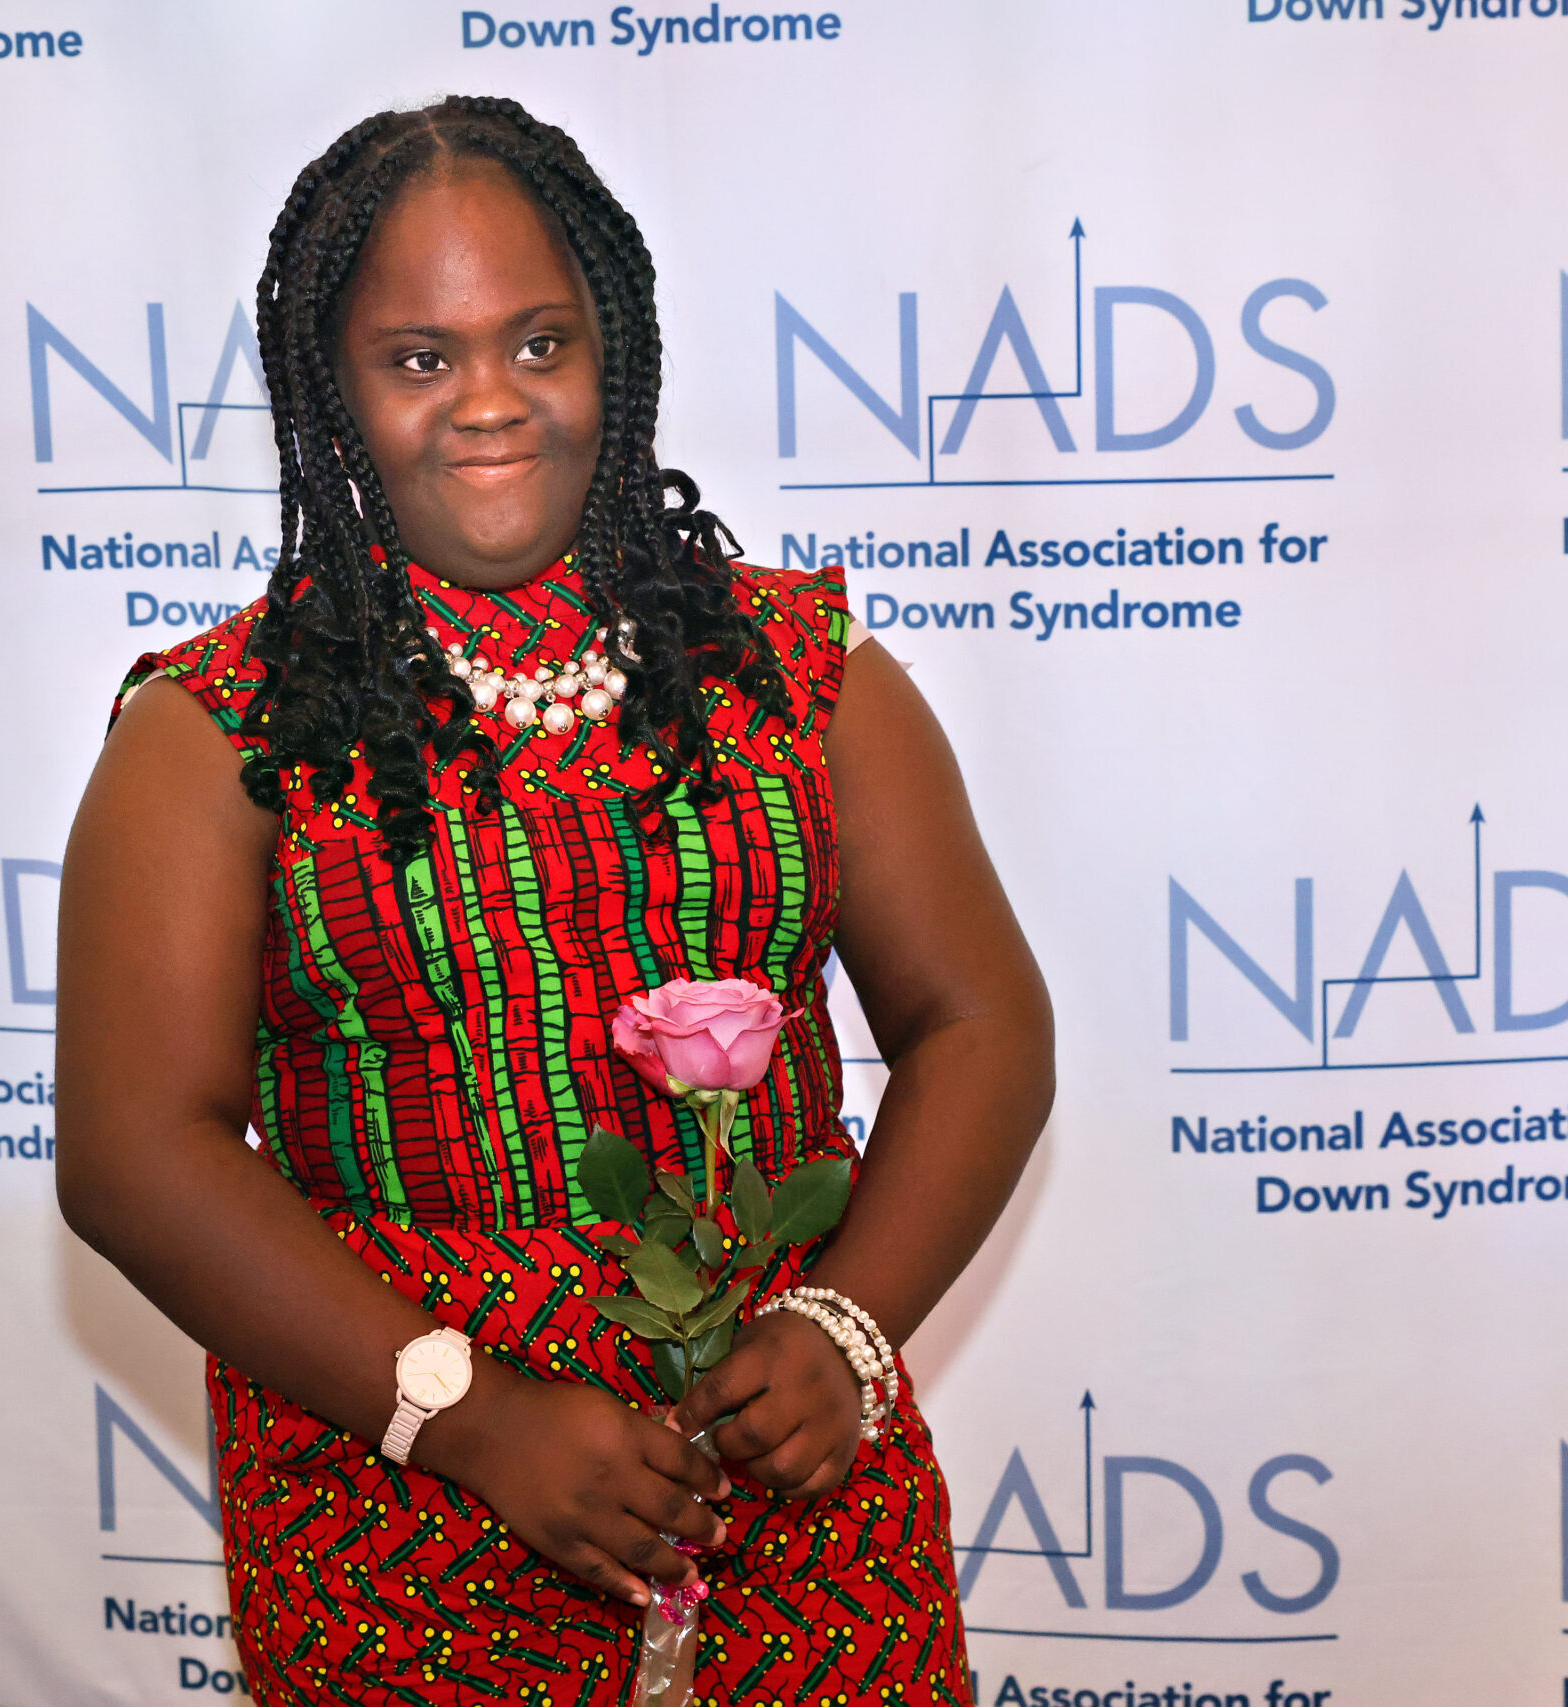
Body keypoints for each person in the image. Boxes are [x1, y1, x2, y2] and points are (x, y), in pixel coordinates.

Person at [56, 96, 1052, 1705]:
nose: (489, 401)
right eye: (419, 358)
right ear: (332, 393)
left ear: (617, 354)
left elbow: (980, 1023)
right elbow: (135, 1155)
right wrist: (473, 1419)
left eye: (539, 343)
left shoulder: (802, 674)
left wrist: (843, 1333)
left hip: (785, 1476)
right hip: (396, 1511)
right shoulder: (218, 732)